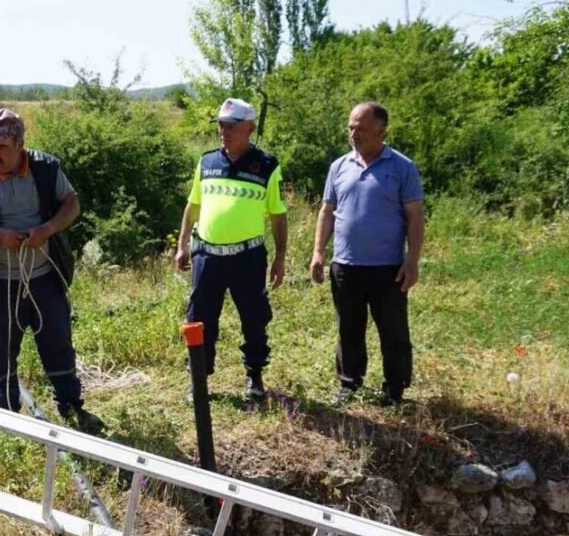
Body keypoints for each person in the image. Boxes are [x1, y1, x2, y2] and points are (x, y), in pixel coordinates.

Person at [0, 108, 103, 435]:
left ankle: (72, 408)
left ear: (20, 144)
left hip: (45, 277)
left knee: (58, 342)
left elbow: (71, 204)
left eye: (1, 147)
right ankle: (5, 418)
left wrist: (47, 229)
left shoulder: (47, 168)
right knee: (2, 350)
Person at [310, 101, 425, 406]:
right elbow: (327, 211)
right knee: (349, 327)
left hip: (388, 268)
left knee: (393, 329)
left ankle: (395, 389)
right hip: (346, 265)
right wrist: (318, 252)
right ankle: (349, 384)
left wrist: (411, 260)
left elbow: (415, 216)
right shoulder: (339, 166)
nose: (353, 134)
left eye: (360, 128)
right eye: (350, 127)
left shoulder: (402, 167)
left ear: (381, 130)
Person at [174, 98, 287, 400]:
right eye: (221, 125)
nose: (223, 131)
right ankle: (198, 379)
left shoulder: (266, 166)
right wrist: (182, 244)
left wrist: (280, 257)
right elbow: (193, 204)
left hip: (247, 258)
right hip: (206, 256)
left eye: (231, 126)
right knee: (199, 319)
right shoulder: (207, 162)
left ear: (249, 128)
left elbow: (277, 214)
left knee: (254, 317)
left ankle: (255, 376)